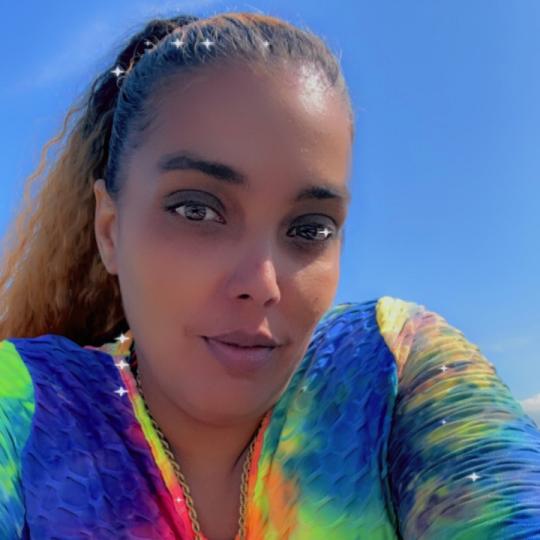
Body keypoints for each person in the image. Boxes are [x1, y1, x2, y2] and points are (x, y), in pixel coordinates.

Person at [0, 11, 538, 540]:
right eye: (196, 210)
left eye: (309, 228)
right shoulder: (27, 403)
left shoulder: (390, 372)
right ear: (110, 230)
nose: (262, 283)